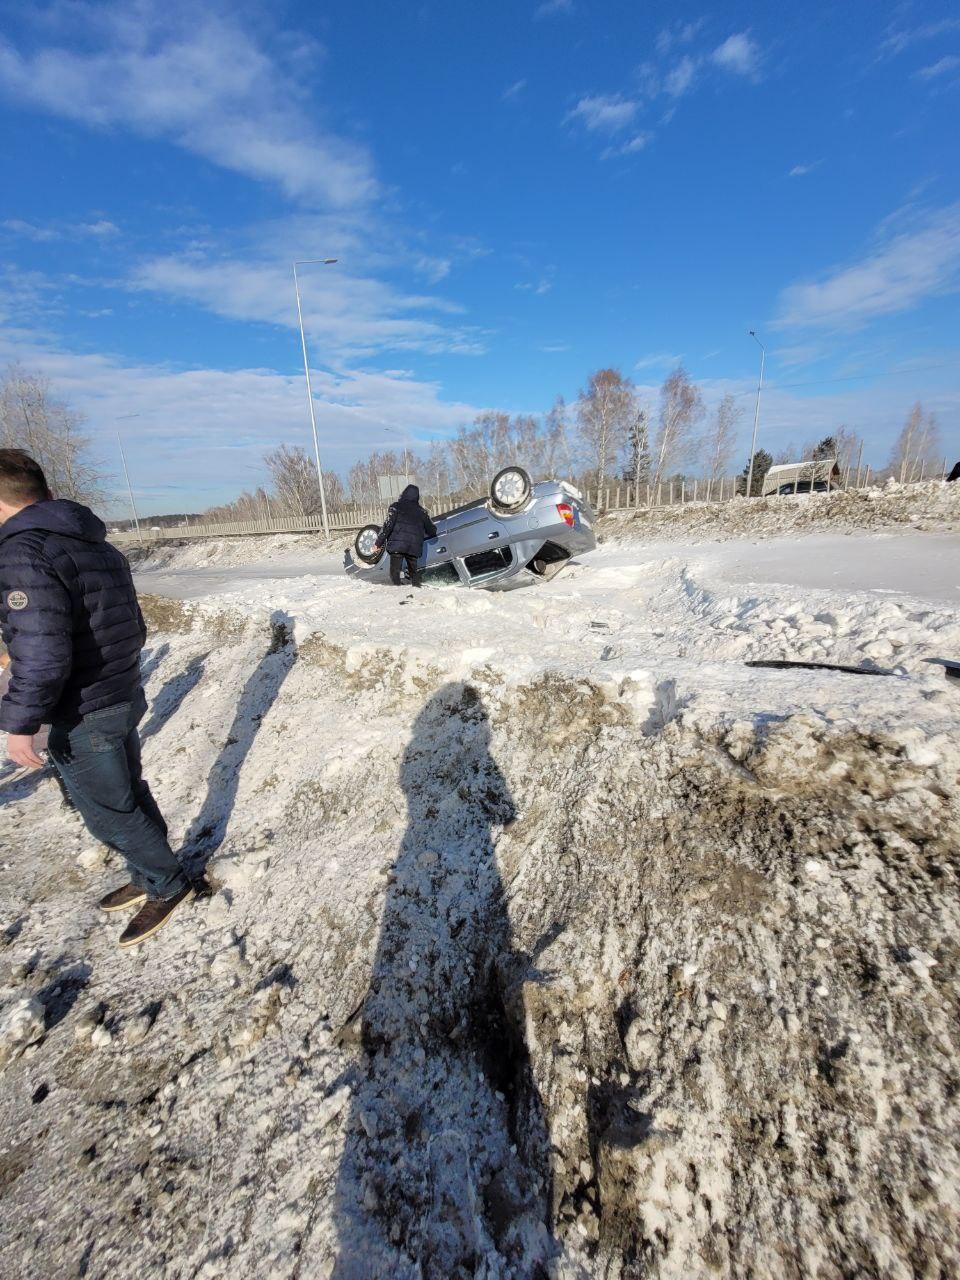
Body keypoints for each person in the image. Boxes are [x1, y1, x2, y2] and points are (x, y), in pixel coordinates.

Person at [0, 449, 193, 948]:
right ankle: (151, 872)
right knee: (127, 792)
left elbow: (40, 649)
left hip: (85, 708)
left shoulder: (24, 552)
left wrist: (20, 722)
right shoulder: (95, 545)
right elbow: (135, 626)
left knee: (108, 810)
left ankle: (168, 885)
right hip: (120, 692)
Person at [374, 483, 437, 588]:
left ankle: (397, 588)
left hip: (397, 546)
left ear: (404, 494)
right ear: (417, 497)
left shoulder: (395, 507)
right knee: (414, 571)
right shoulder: (422, 512)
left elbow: (387, 526)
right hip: (413, 547)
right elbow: (432, 530)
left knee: (395, 572)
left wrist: (378, 543)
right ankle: (416, 587)